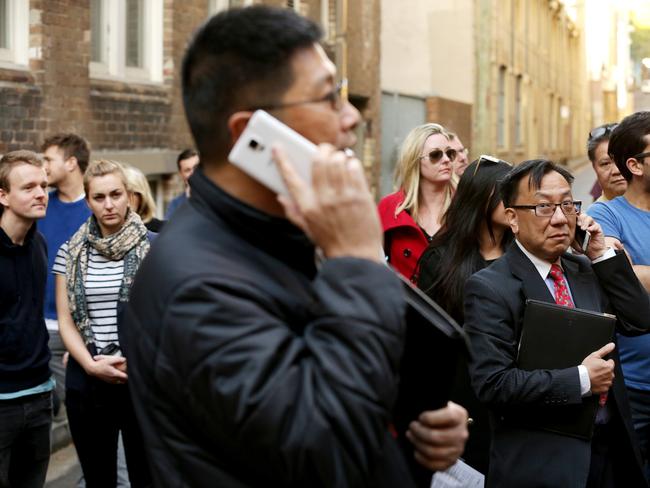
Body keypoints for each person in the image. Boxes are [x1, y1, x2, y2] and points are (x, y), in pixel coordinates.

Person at [123, 6, 468, 487]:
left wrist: (410, 429)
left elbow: (331, 372)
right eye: (329, 99)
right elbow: (324, 452)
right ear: (251, 134)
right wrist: (357, 262)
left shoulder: (282, 228)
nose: (351, 118)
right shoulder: (198, 286)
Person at [465, 159, 650, 487]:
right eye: (543, 208)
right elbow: (493, 383)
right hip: (544, 463)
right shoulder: (491, 287)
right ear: (512, 218)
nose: (561, 219)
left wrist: (601, 256)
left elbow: (639, 320)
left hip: (610, 454)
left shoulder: (584, 269)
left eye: (567, 204)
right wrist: (581, 379)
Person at [54, 160, 152, 487]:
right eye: (99, 197)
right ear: (88, 201)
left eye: (115, 194)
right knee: (98, 479)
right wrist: (90, 365)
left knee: (146, 476)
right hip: (89, 376)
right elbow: (65, 320)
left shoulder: (154, 247)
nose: (108, 205)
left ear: (130, 196)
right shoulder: (70, 251)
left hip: (141, 376)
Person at [417, 155, 513, 474]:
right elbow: (431, 341)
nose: (515, 201)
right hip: (465, 398)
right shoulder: (442, 260)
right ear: (480, 197)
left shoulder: (523, 254)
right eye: (505, 192)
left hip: (518, 392)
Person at [588, 111, 650, 481]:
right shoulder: (606, 215)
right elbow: (618, 278)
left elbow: (632, 274)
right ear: (634, 165)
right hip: (636, 387)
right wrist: (627, 273)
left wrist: (636, 272)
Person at [0, 150, 52, 488]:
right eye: (29, 187)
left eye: (44, 185)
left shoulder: (40, 244)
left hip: (39, 396)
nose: (41, 193)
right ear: (3, 196)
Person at [39, 133, 92, 416]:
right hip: (35, 329)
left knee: (80, 414)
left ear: (71, 162)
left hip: (75, 333)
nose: (43, 165)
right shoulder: (39, 205)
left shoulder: (96, 208)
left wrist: (85, 340)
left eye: (49, 159)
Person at [378, 123, 456, 281]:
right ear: (415, 161)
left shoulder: (464, 204)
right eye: (436, 155)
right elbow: (375, 264)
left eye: (450, 153)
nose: (446, 160)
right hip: (406, 302)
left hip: (454, 302)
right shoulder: (390, 208)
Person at [586, 123, 627, 205]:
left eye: (622, 159)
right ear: (594, 167)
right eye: (605, 163)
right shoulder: (594, 216)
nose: (617, 170)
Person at [124, 165, 164, 232]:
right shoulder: (102, 233)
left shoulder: (163, 230)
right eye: (116, 195)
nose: (125, 200)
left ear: (142, 197)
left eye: (130, 193)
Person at [164, 148, 199, 218]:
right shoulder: (175, 205)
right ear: (181, 174)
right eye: (187, 170)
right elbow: (169, 228)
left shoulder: (217, 196)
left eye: (196, 168)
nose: (193, 173)